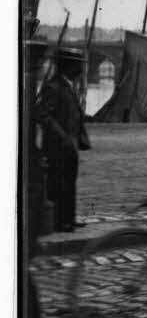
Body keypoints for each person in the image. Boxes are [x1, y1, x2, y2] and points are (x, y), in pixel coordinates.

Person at [36, 47, 91, 232]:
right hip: (58, 146)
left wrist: (80, 138)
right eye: (78, 66)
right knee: (59, 183)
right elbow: (43, 114)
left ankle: (69, 217)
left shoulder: (66, 86)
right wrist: (62, 136)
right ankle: (60, 222)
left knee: (69, 182)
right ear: (67, 66)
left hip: (70, 145)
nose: (80, 70)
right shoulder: (53, 87)